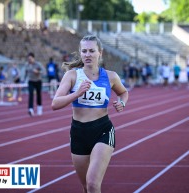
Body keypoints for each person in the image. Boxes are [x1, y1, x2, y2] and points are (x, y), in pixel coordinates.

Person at [51, 35, 128, 193]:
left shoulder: (111, 76)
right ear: (80, 53)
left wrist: (122, 103)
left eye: (91, 51)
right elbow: (55, 103)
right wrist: (77, 93)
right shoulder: (72, 75)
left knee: (93, 183)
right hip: (79, 132)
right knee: (86, 187)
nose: (87, 54)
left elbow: (123, 92)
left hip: (103, 130)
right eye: (84, 51)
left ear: (100, 52)